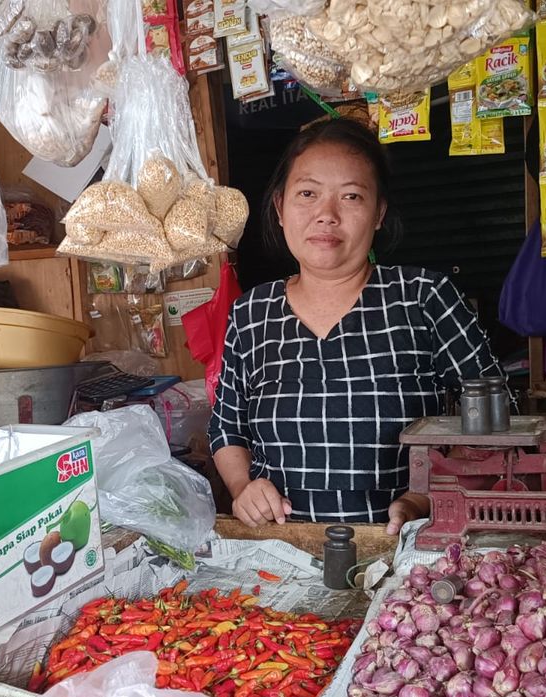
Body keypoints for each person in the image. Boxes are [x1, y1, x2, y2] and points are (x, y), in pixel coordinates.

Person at [208, 117, 505, 536]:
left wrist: (426, 496)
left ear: (379, 213)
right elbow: (226, 427)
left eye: (350, 196)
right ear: (279, 208)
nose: (326, 215)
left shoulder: (423, 296)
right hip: (284, 547)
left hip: (404, 547)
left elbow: (496, 419)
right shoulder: (251, 312)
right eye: (307, 194)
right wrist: (243, 488)